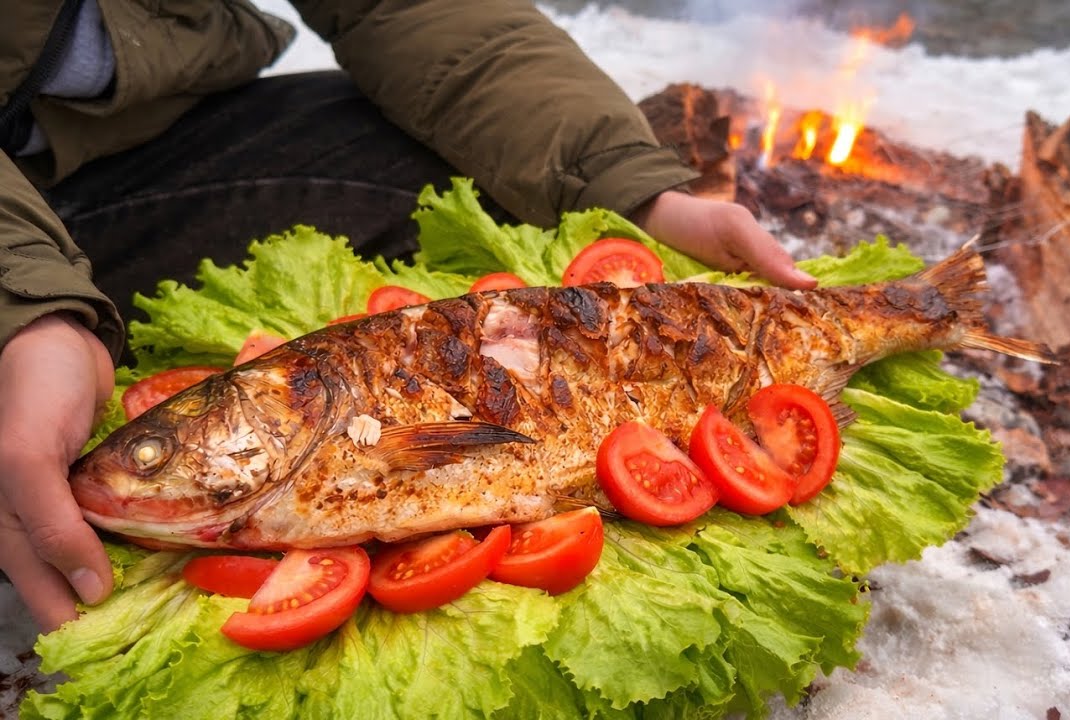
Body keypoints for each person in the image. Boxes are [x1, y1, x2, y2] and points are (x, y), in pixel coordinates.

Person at [0, 0, 817, 633]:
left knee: (471, 161)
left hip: (138, 135)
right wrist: (25, 311)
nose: (137, 465)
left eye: (151, 453)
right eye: (154, 453)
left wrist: (633, 183)